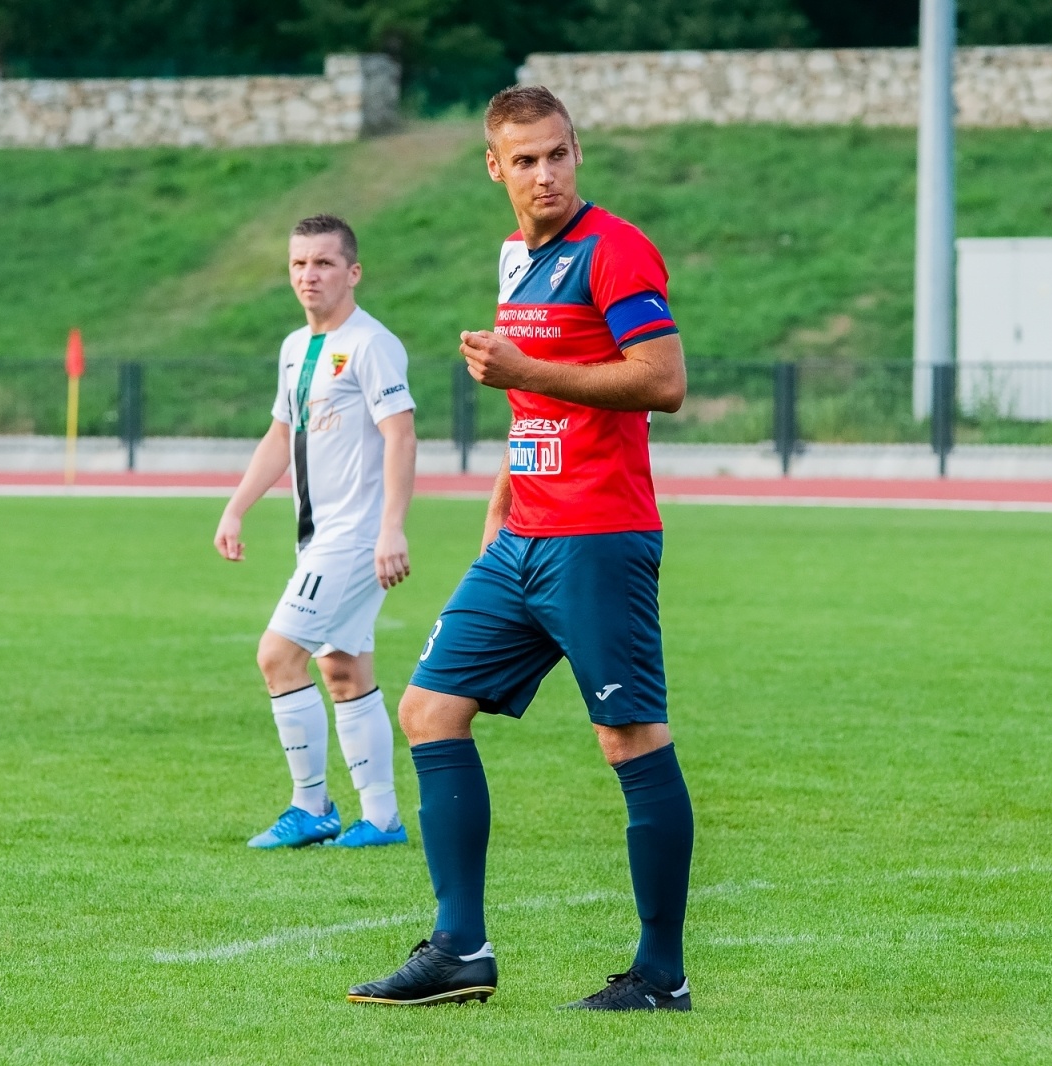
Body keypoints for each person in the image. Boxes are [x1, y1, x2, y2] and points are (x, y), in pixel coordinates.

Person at [347, 87, 694, 1010]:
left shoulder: (615, 251)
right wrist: (504, 490)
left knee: (627, 736)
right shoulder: (516, 257)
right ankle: (461, 949)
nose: (546, 175)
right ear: (494, 168)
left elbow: (663, 383)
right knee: (428, 711)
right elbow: (535, 405)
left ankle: (663, 972)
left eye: (559, 155)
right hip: (524, 536)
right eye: (526, 160)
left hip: (598, 535)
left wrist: (520, 369)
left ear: (577, 154)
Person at [214, 213, 417, 850]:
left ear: (352, 272)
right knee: (344, 670)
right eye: (300, 263)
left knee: (277, 656)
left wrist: (392, 530)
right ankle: (381, 819)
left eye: (324, 263)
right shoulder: (295, 348)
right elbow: (282, 435)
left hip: (355, 538)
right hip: (319, 535)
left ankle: (312, 807)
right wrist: (236, 506)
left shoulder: (370, 343)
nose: (310, 275)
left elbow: (400, 433)